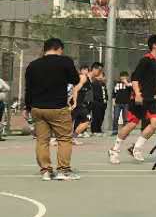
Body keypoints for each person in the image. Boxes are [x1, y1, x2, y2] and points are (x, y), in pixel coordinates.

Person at [23, 37, 81, 181]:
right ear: (58, 48)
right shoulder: (65, 61)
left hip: (37, 108)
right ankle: (63, 170)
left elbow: (28, 89)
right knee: (64, 138)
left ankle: (46, 171)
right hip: (57, 107)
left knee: (42, 140)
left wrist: (27, 107)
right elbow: (75, 79)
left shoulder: (33, 65)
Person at [110, 34, 156, 163]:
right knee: (131, 125)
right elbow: (135, 79)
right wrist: (138, 94)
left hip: (151, 99)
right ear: (154, 46)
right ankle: (114, 150)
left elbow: (155, 81)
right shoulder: (145, 60)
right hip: (140, 98)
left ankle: (136, 148)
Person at [70, 65, 95, 141]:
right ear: (80, 71)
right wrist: (74, 102)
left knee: (70, 121)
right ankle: (69, 138)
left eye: (86, 69)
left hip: (80, 104)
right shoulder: (82, 77)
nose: (85, 71)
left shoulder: (87, 78)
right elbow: (75, 89)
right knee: (87, 119)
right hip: (77, 104)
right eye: (84, 69)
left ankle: (72, 138)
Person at [0, 73, 9, 140]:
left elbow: (8, 88)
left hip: (1, 102)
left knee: (0, 119)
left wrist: (2, 90)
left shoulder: (0, 80)